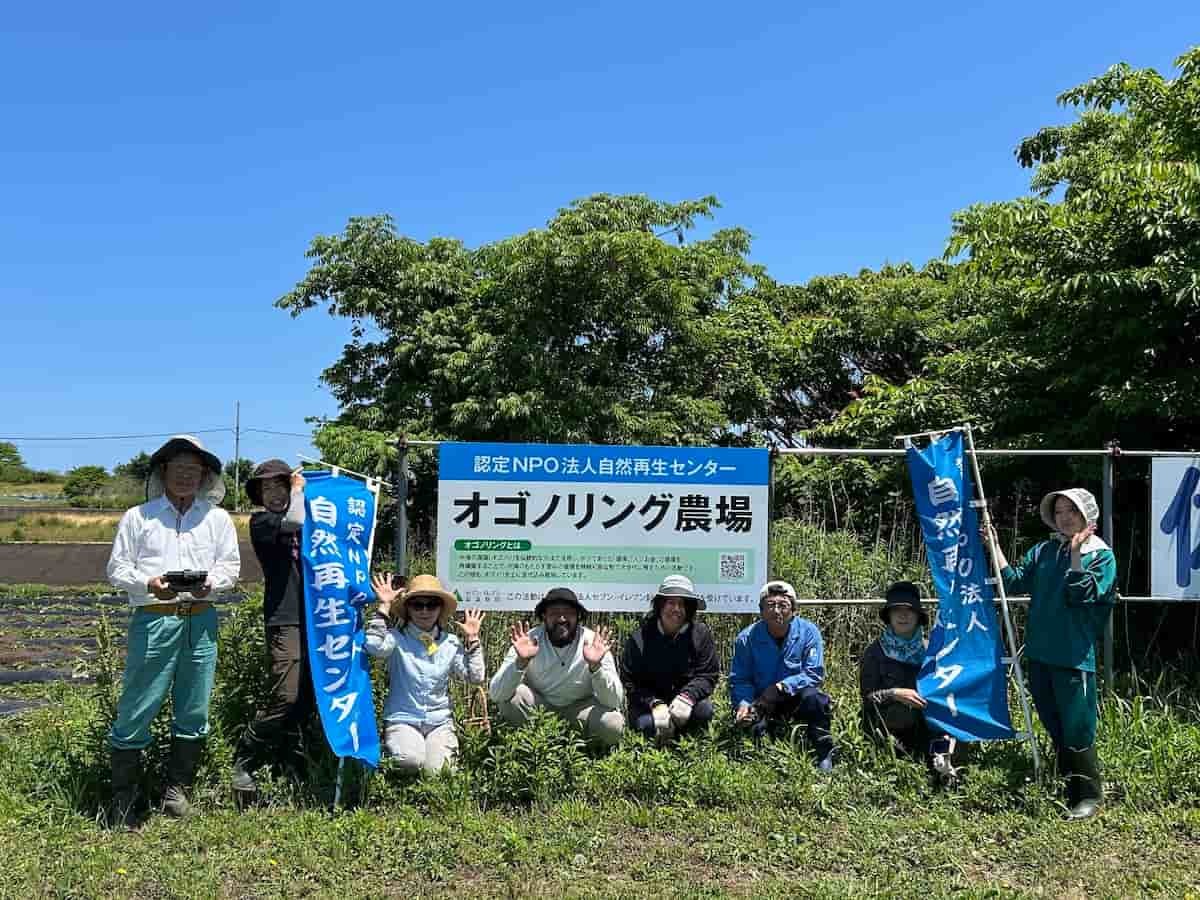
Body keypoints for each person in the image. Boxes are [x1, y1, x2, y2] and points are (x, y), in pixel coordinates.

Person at [105, 435, 241, 826]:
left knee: (194, 706)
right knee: (137, 707)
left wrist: (210, 585)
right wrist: (150, 584)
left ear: (204, 476)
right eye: (178, 469)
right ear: (163, 472)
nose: (185, 477)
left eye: (193, 470)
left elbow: (229, 568)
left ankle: (176, 791)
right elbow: (117, 569)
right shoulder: (139, 516)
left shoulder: (216, 519)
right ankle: (124, 799)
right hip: (154, 617)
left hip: (201, 619)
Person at [982, 488, 1116, 820]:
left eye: (1072, 510)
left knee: (1077, 726)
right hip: (1040, 653)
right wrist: (994, 546)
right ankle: (1067, 785)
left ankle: (1089, 794)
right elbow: (1013, 583)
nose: (1065, 517)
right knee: (1053, 723)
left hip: (1073, 655)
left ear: (1087, 515)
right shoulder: (1043, 550)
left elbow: (1080, 594)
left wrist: (1074, 553)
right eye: (1059, 512)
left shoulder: (1100, 555)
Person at [231, 460, 313, 800]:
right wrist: (298, 489)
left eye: (281, 487)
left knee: (307, 697)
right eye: (268, 489)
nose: (276, 494)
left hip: (318, 616)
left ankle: (288, 762)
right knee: (286, 693)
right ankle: (244, 758)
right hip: (285, 617)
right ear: (260, 496)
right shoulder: (263, 522)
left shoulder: (311, 521)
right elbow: (293, 519)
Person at [364, 573, 486, 773]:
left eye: (431, 605)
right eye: (417, 605)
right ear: (408, 609)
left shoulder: (450, 642)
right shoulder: (396, 638)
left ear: (440, 609)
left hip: (440, 721)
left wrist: (473, 640)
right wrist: (384, 606)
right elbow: (373, 647)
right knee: (410, 761)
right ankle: (391, 752)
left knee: (441, 771)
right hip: (402, 718)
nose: (424, 611)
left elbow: (475, 677)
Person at [489, 587, 624, 748]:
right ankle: (533, 748)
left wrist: (596, 667)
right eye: (554, 612)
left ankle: (581, 751)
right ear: (544, 616)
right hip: (539, 711)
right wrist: (521, 662)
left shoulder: (594, 643)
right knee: (511, 699)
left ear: (578, 616)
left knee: (613, 724)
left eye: (568, 612)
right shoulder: (529, 641)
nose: (561, 619)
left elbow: (614, 700)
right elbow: (496, 694)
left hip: (580, 712)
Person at [729, 579, 835, 770]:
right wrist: (743, 704)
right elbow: (740, 678)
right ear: (761, 611)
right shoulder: (746, 638)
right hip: (761, 701)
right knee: (753, 728)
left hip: (795, 697)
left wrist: (782, 687)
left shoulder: (809, 632)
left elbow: (814, 673)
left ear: (793, 610)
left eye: (783, 605)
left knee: (817, 700)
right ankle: (759, 760)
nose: (776, 611)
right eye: (770, 605)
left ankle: (824, 752)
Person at [859, 581, 958, 782]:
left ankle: (941, 763)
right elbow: (867, 698)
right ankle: (902, 760)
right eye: (897, 610)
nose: (903, 616)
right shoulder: (875, 652)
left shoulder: (932, 651)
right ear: (889, 616)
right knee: (902, 714)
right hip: (889, 723)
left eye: (909, 611)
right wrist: (896, 694)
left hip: (927, 723)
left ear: (918, 617)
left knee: (952, 722)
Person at [620, 574, 719, 742]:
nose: (676, 609)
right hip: (649, 705)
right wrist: (654, 703)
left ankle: (685, 741)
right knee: (646, 725)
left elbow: (708, 675)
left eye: (682, 604)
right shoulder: (639, 638)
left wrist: (688, 697)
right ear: (660, 605)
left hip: (685, 702)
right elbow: (630, 681)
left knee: (704, 711)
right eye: (671, 603)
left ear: (689, 608)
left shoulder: (701, 634)